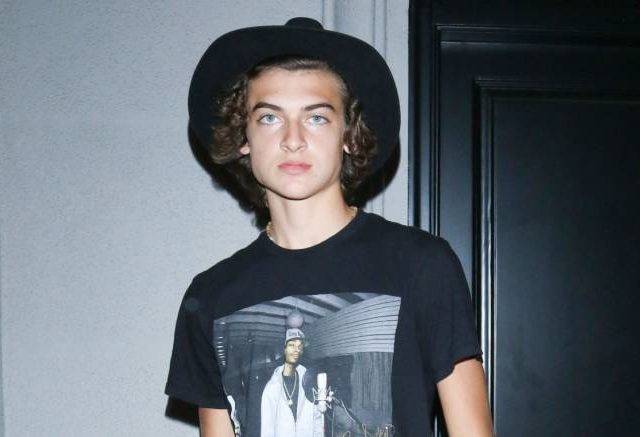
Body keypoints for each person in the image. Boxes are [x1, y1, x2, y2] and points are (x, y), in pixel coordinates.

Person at [165, 17, 494, 437]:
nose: (293, 139)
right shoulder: (212, 296)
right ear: (243, 137)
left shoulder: (422, 265)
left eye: (317, 118)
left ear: (349, 136)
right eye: (269, 118)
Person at [260, 328, 324, 437]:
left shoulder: (309, 381)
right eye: (292, 345)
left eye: (300, 346)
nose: (296, 350)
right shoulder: (271, 388)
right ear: (284, 349)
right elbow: (267, 429)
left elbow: (317, 419)